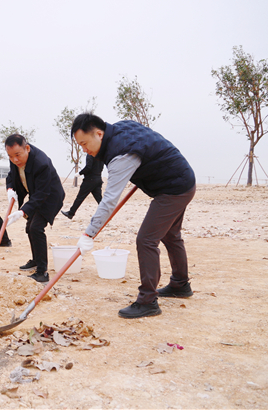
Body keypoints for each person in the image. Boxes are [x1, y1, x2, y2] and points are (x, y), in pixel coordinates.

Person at [71, 114, 195, 319]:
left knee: (146, 239)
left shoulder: (121, 154)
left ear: (99, 134)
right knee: (171, 235)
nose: (84, 149)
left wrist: (88, 234)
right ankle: (180, 285)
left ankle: (148, 301)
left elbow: (110, 199)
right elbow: (149, 143)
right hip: (181, 178)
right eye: (80, 145)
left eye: (84, 143)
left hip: (174, 188)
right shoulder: (121, 127)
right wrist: (148, 166)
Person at [4, 134, 65, 283]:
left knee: (36, 228)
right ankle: (36, 260)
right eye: (11, 156)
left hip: (50, 197)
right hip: (36, 195)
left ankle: (42, 272)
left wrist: (23, 210)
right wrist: (10, 188)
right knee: (29, 227)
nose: (15, 160)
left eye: (17, 155)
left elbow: (43, 193)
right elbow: (11, 175)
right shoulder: (14, 158)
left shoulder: (41, 163)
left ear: (27, 148)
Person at [61, 154, 104, 219]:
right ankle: (107, 213)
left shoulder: (90, 154)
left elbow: (88, 167)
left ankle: (71, 213)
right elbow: (101, 167)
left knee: (80, 197)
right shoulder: (100, 155)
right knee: (99, 199)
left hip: (89, 180)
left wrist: (79, 173)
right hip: (98, 179)